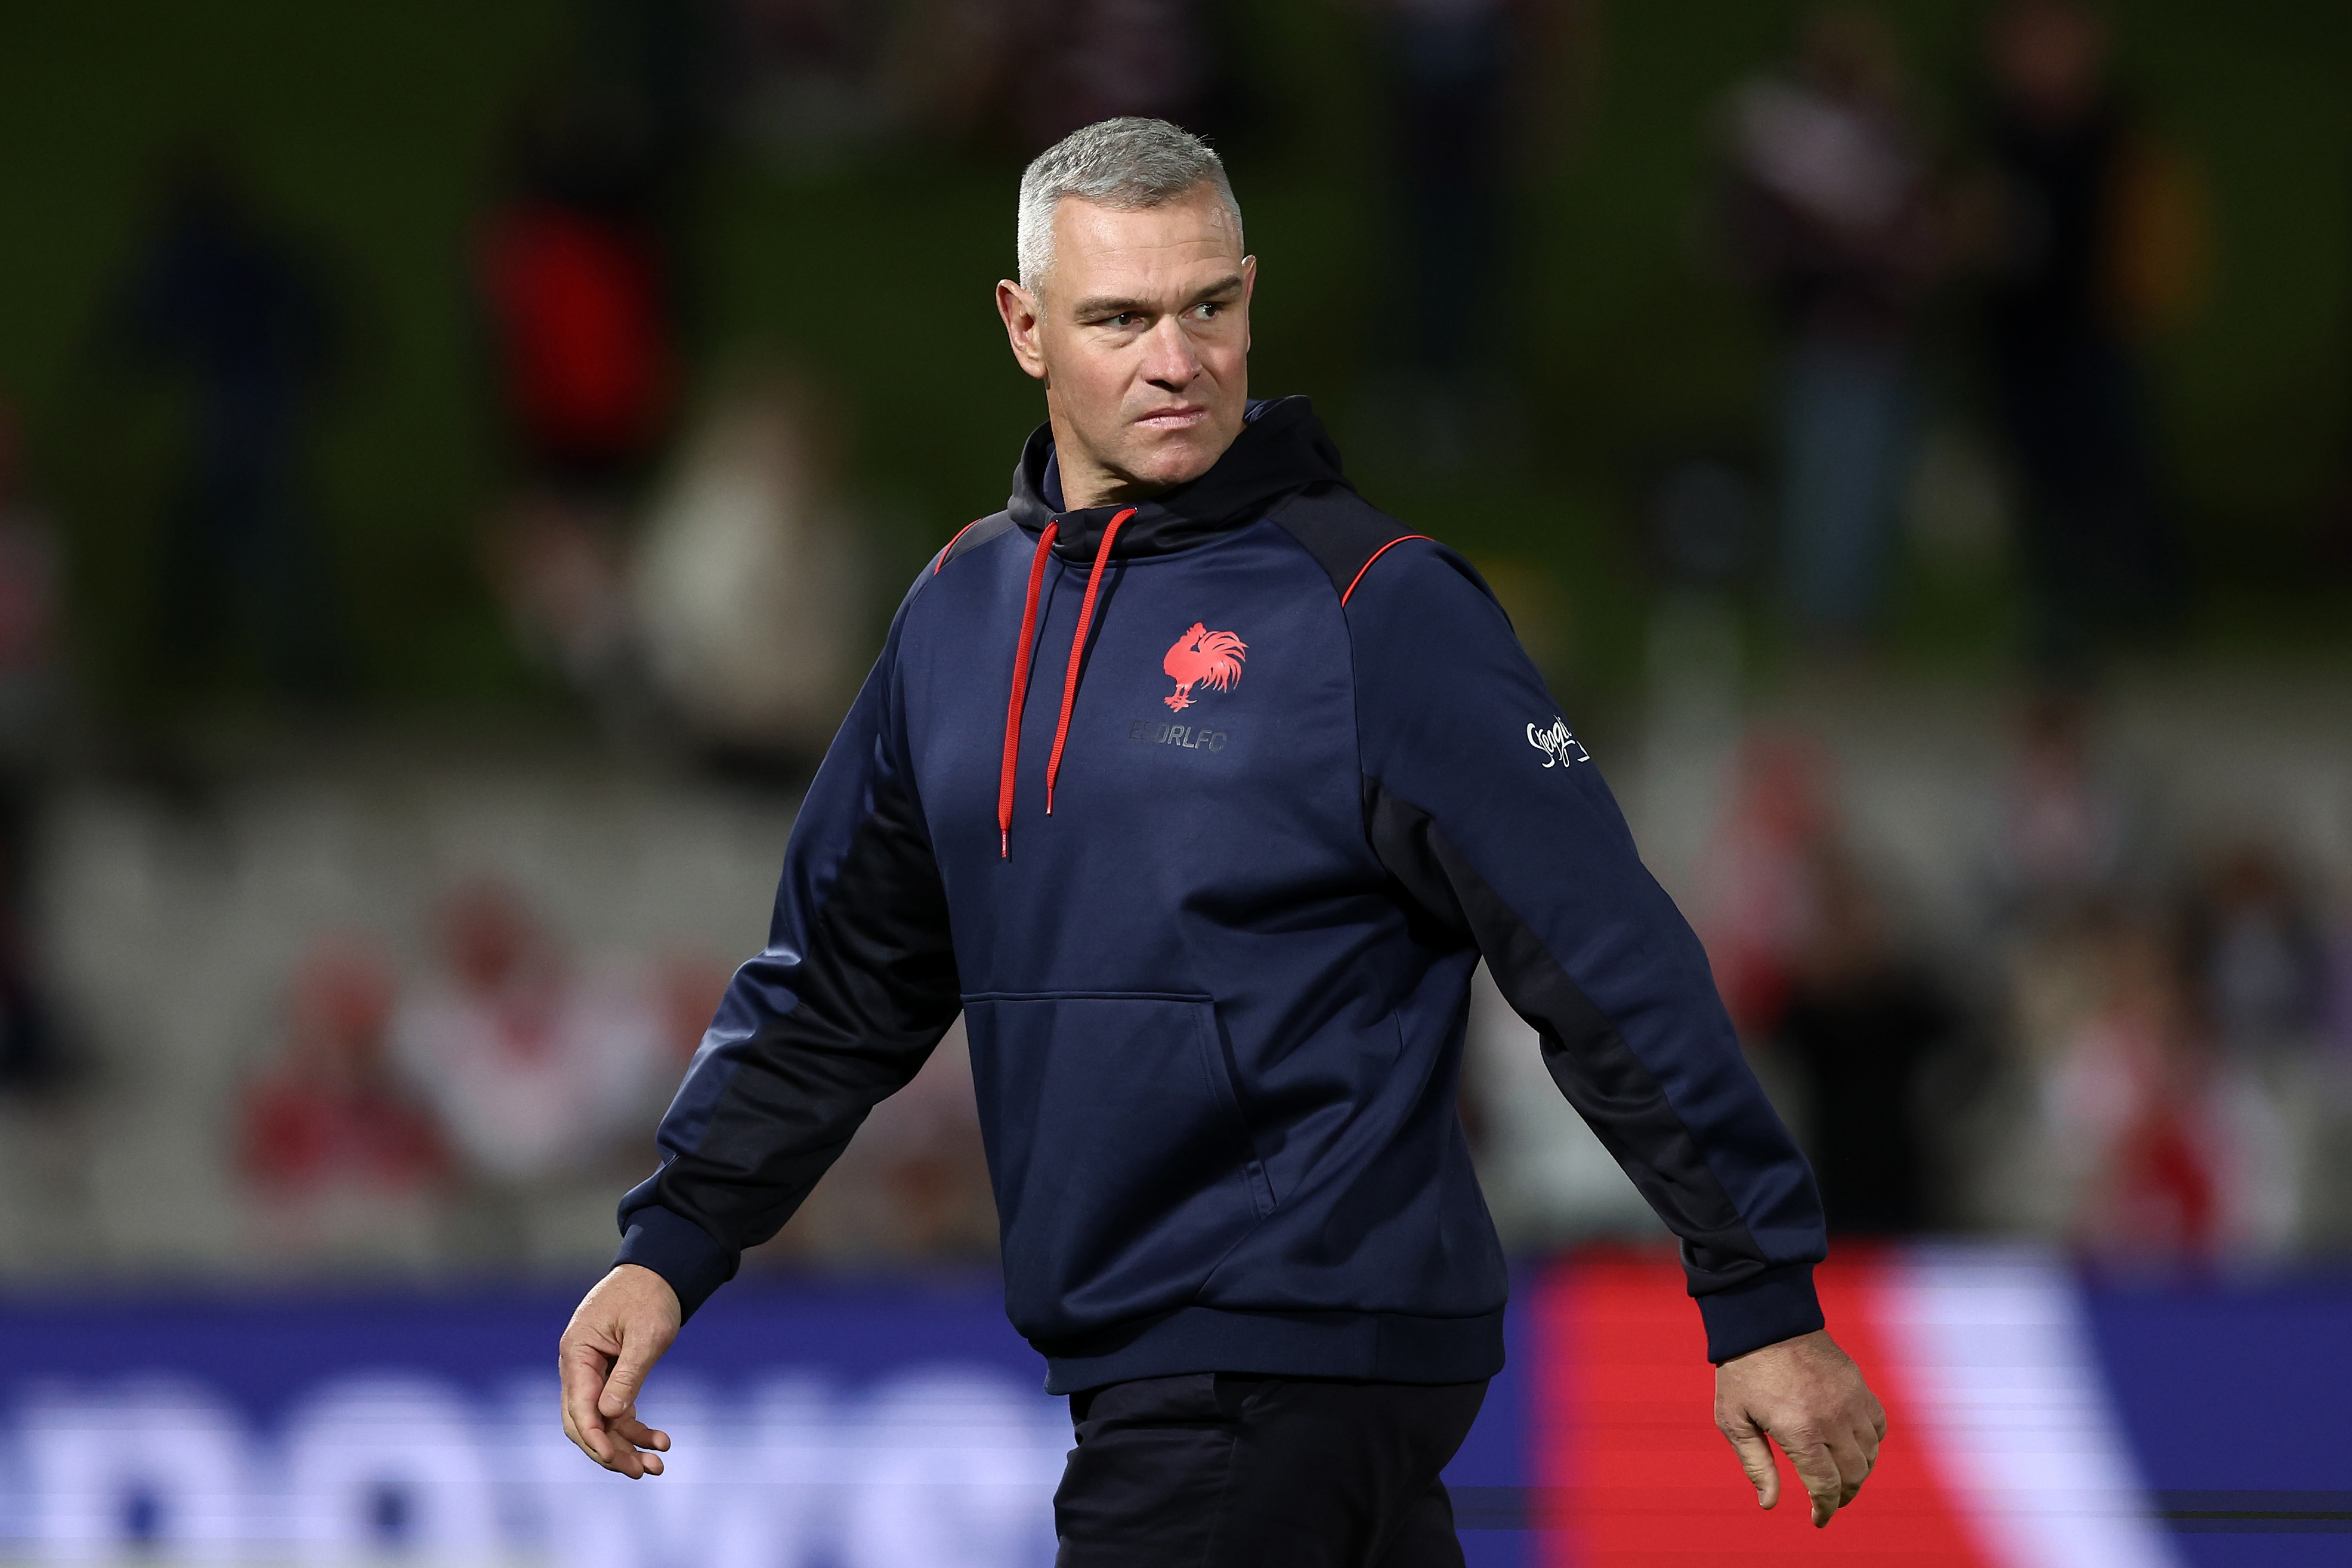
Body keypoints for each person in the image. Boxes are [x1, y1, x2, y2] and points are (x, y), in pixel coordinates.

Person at [558, 118, 1883, 1563]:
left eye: (1208, 307)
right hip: (1187, 1365)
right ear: (1024, 328)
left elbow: (1602, 953)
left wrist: (1757, 1293)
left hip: (1267, 1360)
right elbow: (837, 980)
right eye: (1118, 317)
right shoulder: (955, 616)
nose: (1173, 358)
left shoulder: (1380, 607)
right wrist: (674, 1242)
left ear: (1250, 296)